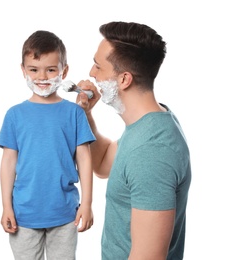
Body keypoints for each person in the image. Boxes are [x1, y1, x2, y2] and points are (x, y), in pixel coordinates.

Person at [76, 21, 191, 260]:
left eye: (98, 66)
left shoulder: (152, 151)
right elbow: (105, 162)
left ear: (124, 80)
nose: (91, 73)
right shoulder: (147, 125)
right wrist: (86, 114)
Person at [0, 30, 96, 260]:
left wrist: (87, 203)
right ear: (23, 70)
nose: (42, 77)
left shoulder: (75, 114)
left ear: (64, 71)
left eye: (51, 69)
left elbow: (85, 158)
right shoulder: (14, 115)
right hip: (24, 214)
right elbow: (8, 163)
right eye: (34, 69)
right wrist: (6, 206)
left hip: (64, 213)